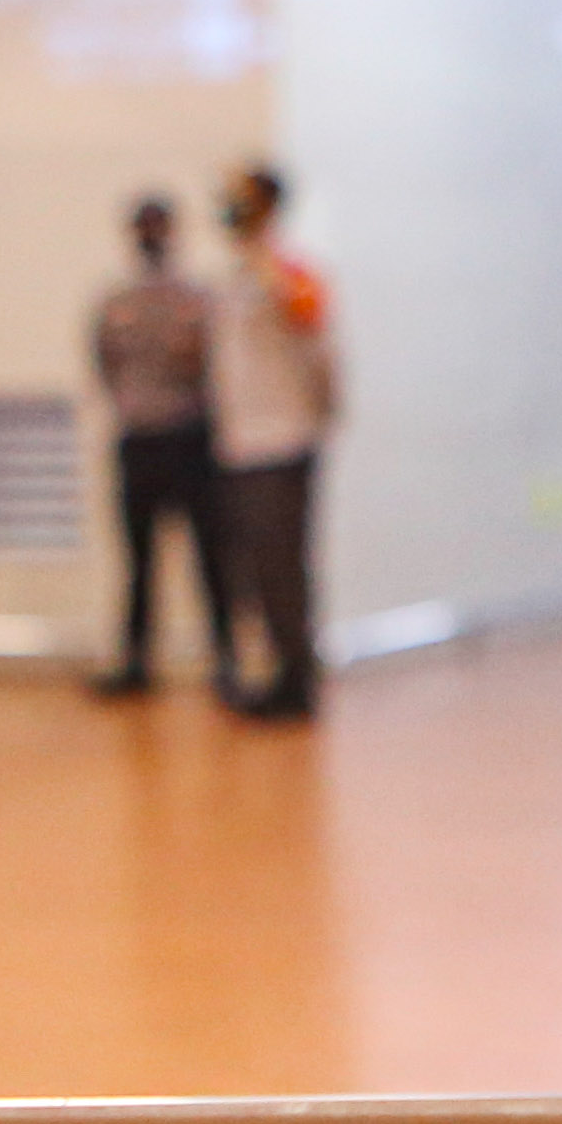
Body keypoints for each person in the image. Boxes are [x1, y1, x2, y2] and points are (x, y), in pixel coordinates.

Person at [90, 192, 234, 702]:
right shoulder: (114, 301)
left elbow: (216, 367)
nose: (151, 236)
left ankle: (227, 661)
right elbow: (103, 364)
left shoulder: (198, 298)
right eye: (144, 227)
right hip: (139, 439)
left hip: (191, 438)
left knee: (210, 558)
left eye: (159, 226)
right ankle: (135, 660)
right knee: (139, 560)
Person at [207, 163, 338, 722]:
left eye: (244, 202)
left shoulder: (290, 271)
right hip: (241, 443)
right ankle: (279, 670)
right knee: (258, 569)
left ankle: (298, 681)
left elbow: (308, 319)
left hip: (283, 442)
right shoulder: (232, 279)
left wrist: (263, 253)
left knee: (284, 567)